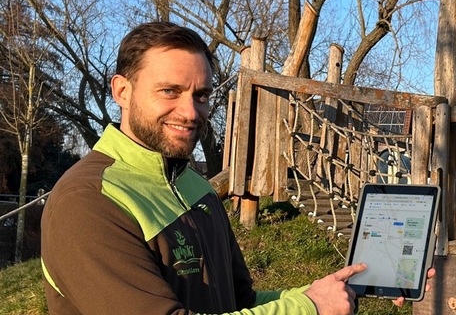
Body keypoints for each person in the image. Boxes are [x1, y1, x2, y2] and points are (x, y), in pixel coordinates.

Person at [40, 21, 434, 315]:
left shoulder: (197, 187)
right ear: (122, 91)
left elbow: (239, 304)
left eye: (201, 95)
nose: (190, 111)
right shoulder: (88, 201)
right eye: (169, 91)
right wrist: (308, 308)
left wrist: (327, 292)